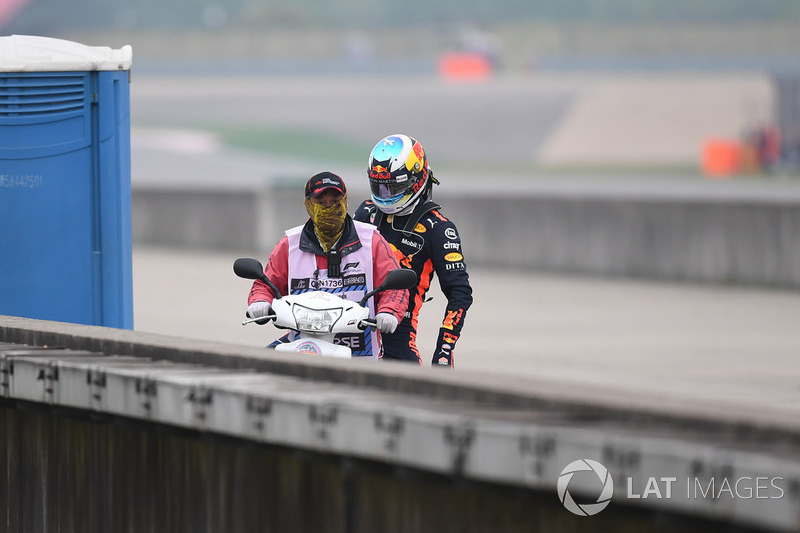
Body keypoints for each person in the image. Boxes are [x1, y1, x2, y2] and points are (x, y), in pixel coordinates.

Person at [247, 171, 408, 359]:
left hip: (361, 355)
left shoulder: (371, 241)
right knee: (256, 366)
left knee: (411, 374)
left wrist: (388, 311)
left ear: (345, 200)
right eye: (321, 203)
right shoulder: (289, 244)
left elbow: (396, 286)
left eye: (335, 201)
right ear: (308, 204)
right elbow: (265, 283)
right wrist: (260, 301)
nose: (329, 207)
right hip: (302, 349)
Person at [354, 134, 473, 367]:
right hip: (349, 321)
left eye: (392, 187)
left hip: (398, 332)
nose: (385, 195)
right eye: (379, 186)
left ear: (416, 180)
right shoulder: (364, 213)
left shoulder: (439, 229)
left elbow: (460, 293)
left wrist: (444, 350)